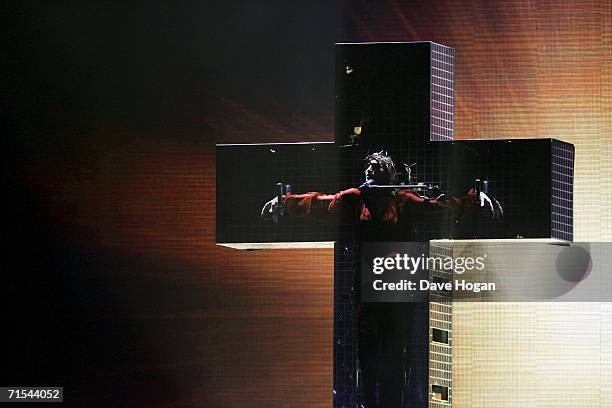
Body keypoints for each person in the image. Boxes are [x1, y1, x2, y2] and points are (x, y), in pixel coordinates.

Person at [261, 151, 502, 407]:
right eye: (367, 169)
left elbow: (438, 208)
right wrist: (284, 200)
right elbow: (322, 202)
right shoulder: (355, 198)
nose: (368, 172)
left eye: (375, 169)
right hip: (368, 285)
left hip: (398, 285)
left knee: (395, 357)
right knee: (367, 355)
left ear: (387, 175)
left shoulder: (402, 200)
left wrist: (475, 199)